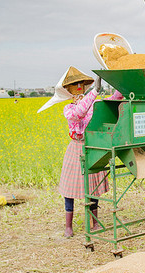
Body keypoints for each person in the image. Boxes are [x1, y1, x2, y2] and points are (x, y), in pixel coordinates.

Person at [38, 66, 122, 237]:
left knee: (93, 187)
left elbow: (113, 99)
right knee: (69, 189)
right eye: (74, 84)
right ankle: (68, 225)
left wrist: (119, 80)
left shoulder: (94, 103)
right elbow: (79, 113)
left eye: (81, 84)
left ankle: (94, 221)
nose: (78, 87)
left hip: (92, 146)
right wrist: (95, 91)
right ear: (67, 90)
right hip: (76, 148)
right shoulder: (68, 109)